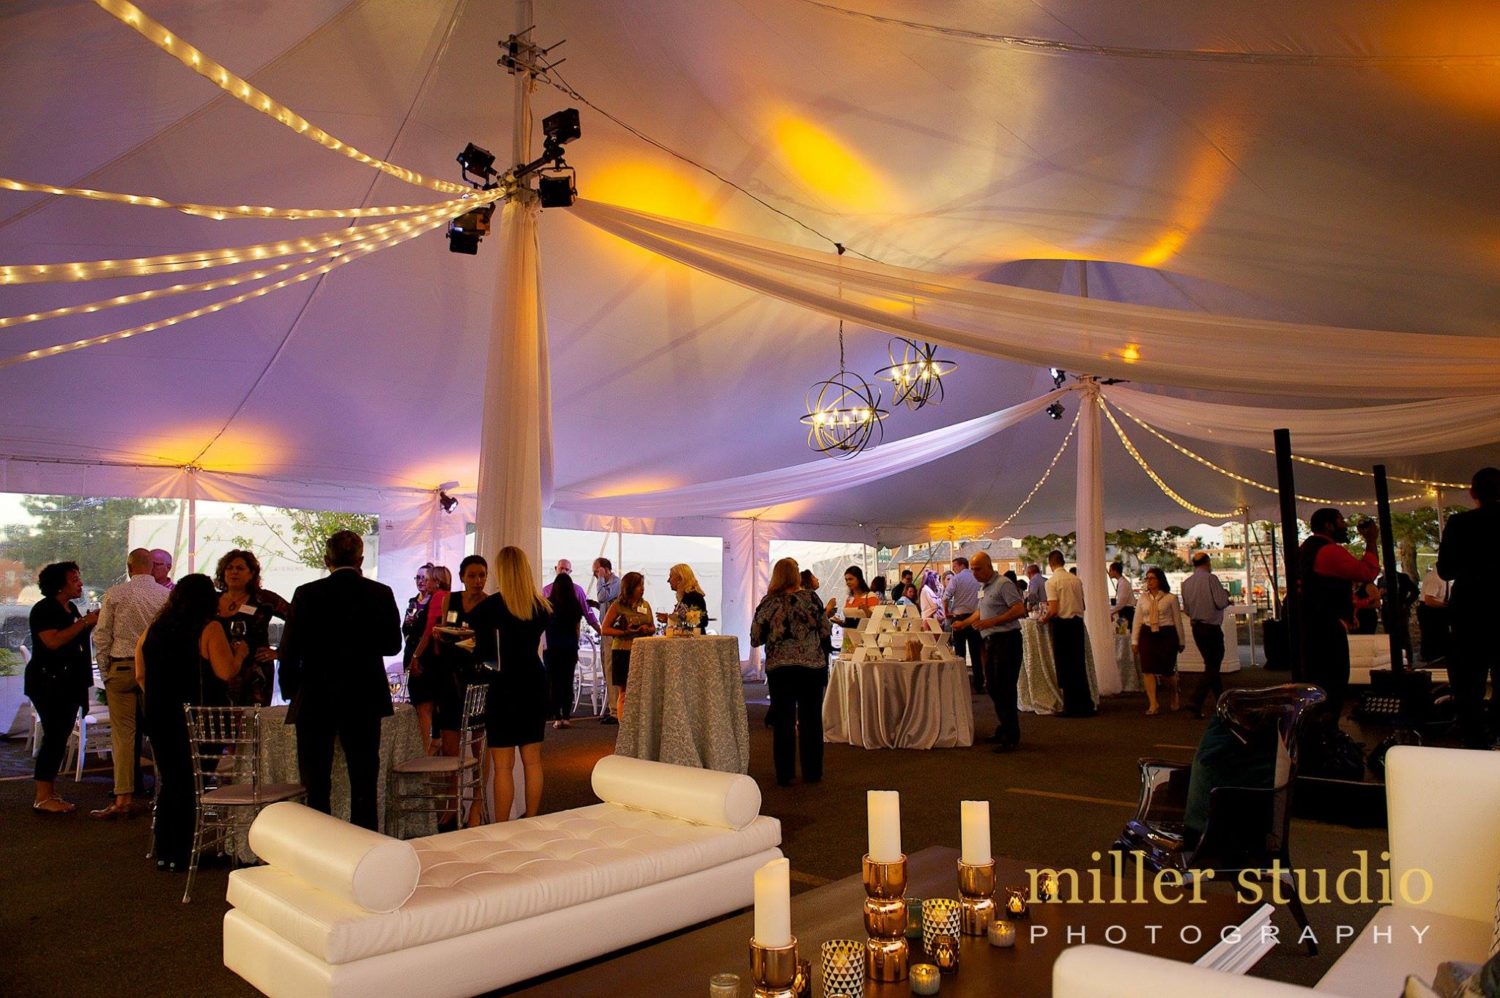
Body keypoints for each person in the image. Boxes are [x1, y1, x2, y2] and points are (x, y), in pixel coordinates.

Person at [277, 531, 401, 830]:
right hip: (364, 693)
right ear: (360, 559)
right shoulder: (380, 593)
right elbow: (392, 645)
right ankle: (364, 841)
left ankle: (321, 843)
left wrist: (291, 689)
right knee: (363, 777)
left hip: (317, 693)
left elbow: (289, 648)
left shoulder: (307, 593)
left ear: (326, 559)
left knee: (316, 780)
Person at [136, 574, 246, 869]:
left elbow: (140, 673)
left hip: (160, 717)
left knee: (171, 781)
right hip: (200, 718)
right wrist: (240, 655)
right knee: (192, 782)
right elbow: (224, 672)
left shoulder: (155, 628)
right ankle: (184, 851)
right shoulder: (208, 628)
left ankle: (166, 851)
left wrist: (159, 699)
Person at [469, 546, 551, 821]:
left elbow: (486, 655)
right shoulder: (541, 607)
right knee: (533, 760)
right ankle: (532, 818)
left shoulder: (488, 609)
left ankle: (501, 825)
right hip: (533, 681)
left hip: (502, 685)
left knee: (502, 766)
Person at [90, 548, 168, 819]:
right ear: (154, 567)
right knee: (160, 732)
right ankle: (164, 792)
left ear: (129, 566)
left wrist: (104, 669)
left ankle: (123, 797)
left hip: (121, 667)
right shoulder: (165, 596)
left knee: (123, 735)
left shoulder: (115, 593)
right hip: (155, 671)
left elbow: (102, 635)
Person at [751, 558, 833, 786]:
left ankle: (785, 774)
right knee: (811, 720)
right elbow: (825, 630)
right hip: (811, 667)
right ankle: (812, 772)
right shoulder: (811, 599)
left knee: (783, 721)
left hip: (780, 669)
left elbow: (755, 637)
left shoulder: (768, 603)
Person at [27, 561, 99, 814]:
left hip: (69, 682)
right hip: (49, 681)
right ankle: (42, 795)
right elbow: (53, 642)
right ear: (59, 584)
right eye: (74, 579)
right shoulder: (44, 609)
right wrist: (84, 623)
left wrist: (88, 624)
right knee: (55, 736)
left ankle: (49, 790)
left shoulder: (70, 608)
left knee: (60, 735)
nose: (80, 583)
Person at [1297, 508, 1380, 724]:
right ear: (1329, 525)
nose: (1345, 526)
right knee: (1333, 681)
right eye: (1341, 521)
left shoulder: (1306, 549)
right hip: (1326, 628)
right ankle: (1326, 737)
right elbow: (1366, 572)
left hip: (1311, 625)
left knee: (1318, 683)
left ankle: (1317, 734)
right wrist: (1371, 541)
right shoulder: (1329, 551)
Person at [1437, 467, 1500, 749]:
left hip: (1471, 610)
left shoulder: (1460, 523)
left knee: (1468, 683)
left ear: (1473, 493)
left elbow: (1446, 570)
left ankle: (1475, 744)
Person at [952, 553, 1026, 750]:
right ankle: (1004, 727)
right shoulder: (984, 588)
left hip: (1007, 640)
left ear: (988, 566)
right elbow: (980, 612)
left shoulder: (1003, 584)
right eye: (973, 569)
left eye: (977, 569)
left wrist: (992, 621)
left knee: (1005, 688)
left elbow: (1019, 609)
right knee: (992, 686)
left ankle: (1011, 735)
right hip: (991, 641)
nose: (974, 573)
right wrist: (964, 623)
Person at [213, 549, 289, 708]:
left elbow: (300, 622)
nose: (234, 572)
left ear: (251, 573)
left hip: (255, 674)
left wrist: (280, 652)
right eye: (229, 568)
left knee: (253, 724)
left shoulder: (264, 599)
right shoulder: (212, 600)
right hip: (219, 670)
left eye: (240, 568)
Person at [1041, 551, 1093, 717]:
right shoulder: (1076, 580)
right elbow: (1083, 605)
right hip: (1077, 623)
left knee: (1064, 666)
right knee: (1078, 664)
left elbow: (1054, 609)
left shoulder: (1052, 582)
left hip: (1062, 625)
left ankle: (1070, 706)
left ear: (1051, 564)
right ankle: (1086, 703)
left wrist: (1044, 619)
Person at [1180, 552, 1233, 718]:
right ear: (1207, 562)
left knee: (1211, 664)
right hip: (1211, 627)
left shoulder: (1186, 583)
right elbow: (1220, 602)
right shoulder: (1211, 579)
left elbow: (1187, 610)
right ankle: (1195, 700)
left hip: (1197, 627)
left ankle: (1221, 701)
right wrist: (1227, 596)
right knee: (1213, 664)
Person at [406, 564, 452, 749]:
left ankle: (424, 750)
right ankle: (432, 745)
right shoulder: (443, 597)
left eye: (429, 578)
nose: (425, 582)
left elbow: (429, 631)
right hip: (437, 659)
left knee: (424, 708)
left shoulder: (437, 597)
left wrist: (416, 656)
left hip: (429, 660)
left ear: (437, 580)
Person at [1132, 567, 1187, 717]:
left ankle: (1174, 693)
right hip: (1147, 634)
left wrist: (1181, 640)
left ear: (1159, 580)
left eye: (1152, 578)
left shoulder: (1170, 598)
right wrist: (1134, 640)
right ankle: (1153, 703)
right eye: (1147, 578)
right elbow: (1137, 620)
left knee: (1167, 671)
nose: (1149, 581)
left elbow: (1177, 621)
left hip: (1166, 634)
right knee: (1147, 669)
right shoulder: (1142, 598)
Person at [601, 572, 653, 719]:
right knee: (623, 692)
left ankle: (637, 725)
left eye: (643, 585)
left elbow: (652, 627)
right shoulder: (617, 605)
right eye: (638, 585)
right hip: (622, 651)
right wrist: (624, 631)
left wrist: (646, 629)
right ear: (629, 587)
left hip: (642, 650)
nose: (642, 589)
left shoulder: (645, 605)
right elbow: (604, 629)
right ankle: (623, 726)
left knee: (640, 691)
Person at [544, 571, 586, 729]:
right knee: (568, 681)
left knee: (554, 682)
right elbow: (576, 628)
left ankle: (557, 717)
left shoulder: (548, 604)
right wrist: (576, 647)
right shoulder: (575, 605)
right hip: (569, 646)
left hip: (552, 647)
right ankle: (567, 716)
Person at [945, 556, 983, 693]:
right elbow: (982, 597)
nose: (953, 569)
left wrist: (946, 612)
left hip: (959, 617)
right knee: (975, 653)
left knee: (960, 653)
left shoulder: (956, 579)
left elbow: (946, 596)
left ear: (961, 565)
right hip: (974, 617)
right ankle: (979, 684)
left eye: (954, 566)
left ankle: (961, 684)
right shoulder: (976, 578)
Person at [592, 558, 621, 724]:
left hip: (612, 633)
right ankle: (612, 707)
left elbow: (603, 597)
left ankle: (616, 711)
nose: (595, 574)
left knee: (611, 668)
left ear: (605, 569)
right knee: (606, 667)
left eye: (597, 571)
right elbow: (603, 603)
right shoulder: (604, 585)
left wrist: (601, 578)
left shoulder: (616, 583)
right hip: (605, 631)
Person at [401, 562, 435, 693]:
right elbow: (406, 628)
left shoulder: (434, 602)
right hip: (410, 654)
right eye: (418, 577)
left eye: (424, 578)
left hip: (426, 658)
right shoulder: (412, 601)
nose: (420, 581)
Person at [1416, 563, 1452, 663]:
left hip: (1438, 609)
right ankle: (1430, 657)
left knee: (1441, 634)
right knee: (1431, 634)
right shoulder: (1435, 578)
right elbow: (1429, 600)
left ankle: (1439, 655)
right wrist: (1446, 606)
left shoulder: (1445, 579)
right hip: (1430, 610)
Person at [659, 563, 708, 632]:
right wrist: (669, 618)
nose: (668, 580)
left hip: (693, 640)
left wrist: (670, 619)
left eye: (671, 577)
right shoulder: (686, 596)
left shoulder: (693, 596)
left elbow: (699, 622)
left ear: (680, 579)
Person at [1108, 561, 1136, 629]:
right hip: (1124, 611)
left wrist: (1110, 612)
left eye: (1110, 570)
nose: (1109, 573)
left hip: (1126, 612)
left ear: (1115, 571)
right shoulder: (1121, 582)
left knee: (1126, 633)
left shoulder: (1123, 584)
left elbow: (1121, 603)